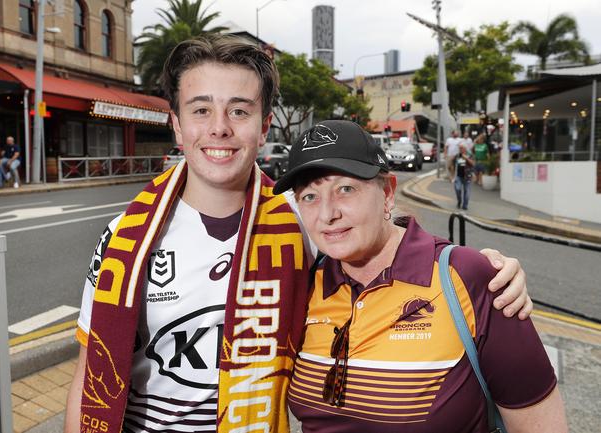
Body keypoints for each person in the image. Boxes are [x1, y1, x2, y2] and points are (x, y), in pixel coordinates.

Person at [65, 36, 533, 433]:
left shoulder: (303, 221)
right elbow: (90, 372)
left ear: (265, 124)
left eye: (240, 111)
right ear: (177, 125)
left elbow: (386, 240)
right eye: (201, 109)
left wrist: (487, 271)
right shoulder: (125, 237)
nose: (219, 129)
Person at [273, 120, 567, 433]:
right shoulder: (305, 283)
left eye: (346, 189)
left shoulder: (470, 278)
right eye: (309, 197)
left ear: (387, 193)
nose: (327, 214)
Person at [453, 143, 474, 210]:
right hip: (459, 176)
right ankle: (459, 201)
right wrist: (452, 176)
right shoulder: (457, 156)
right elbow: (452, 164)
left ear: (465, 149)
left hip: (467, 177)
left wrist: (466, 158)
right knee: (458, 189)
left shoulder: (470, 155)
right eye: (460, 148)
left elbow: (473, 164)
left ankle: (465, 206)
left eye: (461, 148)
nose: (460, 149)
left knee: (467, 193)